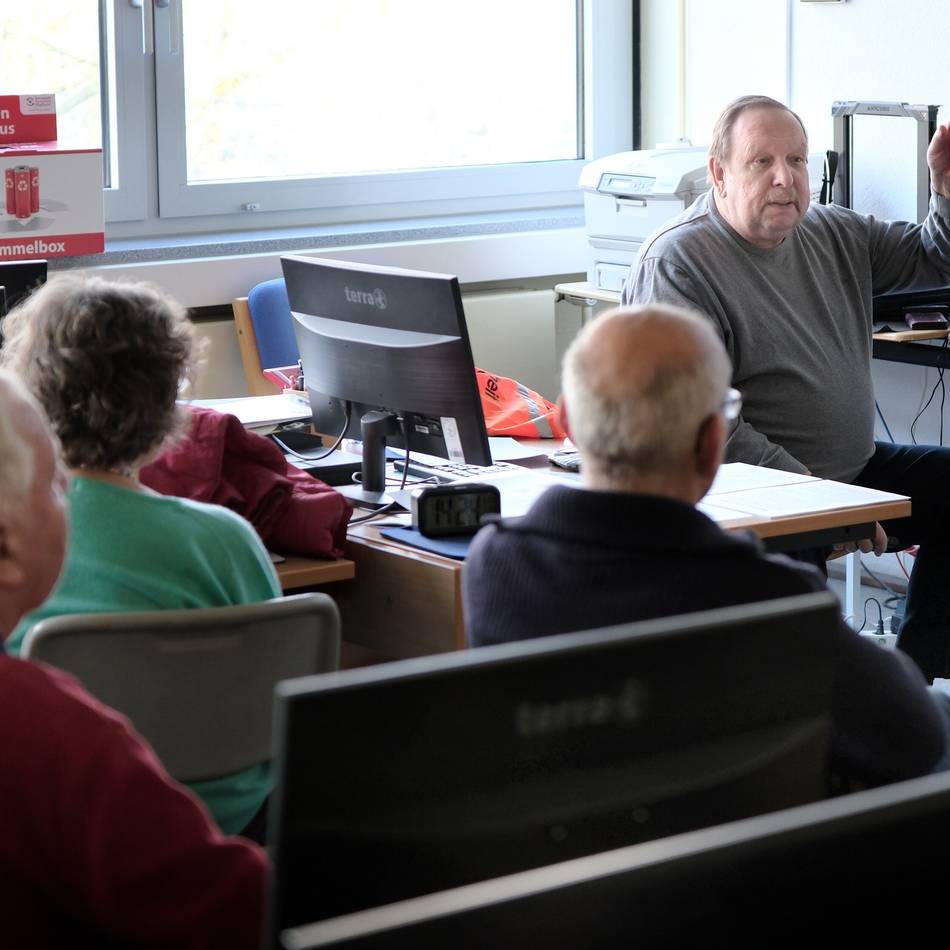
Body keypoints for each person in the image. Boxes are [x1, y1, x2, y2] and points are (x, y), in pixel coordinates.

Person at [463, 304, 950, 786]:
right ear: (713, 440)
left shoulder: (494, 565)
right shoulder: (769, 598)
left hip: (574, 850)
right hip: (747, 852)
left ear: (566, 420)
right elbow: (914, 737)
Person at [623, 94, 950, 683]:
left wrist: (946, 194)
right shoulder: (680, 263)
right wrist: (824, 508)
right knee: (796, 646)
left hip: (848, 475)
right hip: (746, 498)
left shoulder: (833, 232)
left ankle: (913, 678)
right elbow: (704, 426)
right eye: (761, 162)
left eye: (797, 162)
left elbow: (935, 258)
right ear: (719, 172)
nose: (784, 178)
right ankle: (814, 718)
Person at [0, 273, 282, 836]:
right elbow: (271, 682)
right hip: (229, 811)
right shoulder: (227, 541)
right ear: (167, 409)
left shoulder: (21, 544)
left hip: (67, 824)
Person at [0, 370, 267, 949]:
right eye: (54, 484)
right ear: (8, 547)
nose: (70, 495)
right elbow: (240, 914)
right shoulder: (50, 733)